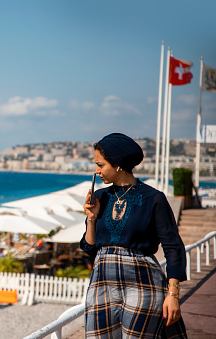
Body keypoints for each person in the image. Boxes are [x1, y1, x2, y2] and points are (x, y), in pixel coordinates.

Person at [80, 133, 187, 338]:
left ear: (118, 164)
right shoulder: (100, 197)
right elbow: (90, 248)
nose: (97, 171)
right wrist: (92, 218)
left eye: (100, 165)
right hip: (102, 284)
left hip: (143, 284)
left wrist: (172, 294)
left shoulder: (153, 198)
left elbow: (173, 246)